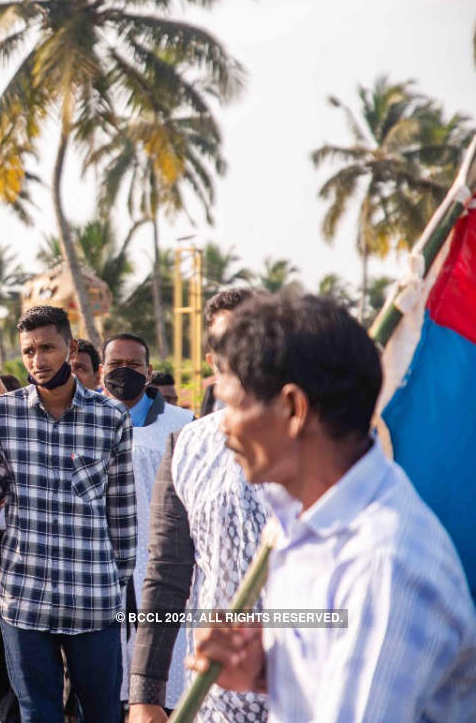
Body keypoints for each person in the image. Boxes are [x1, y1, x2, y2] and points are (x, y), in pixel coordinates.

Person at [190, 292, 476, 721]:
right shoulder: (300, 524)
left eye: (231, 404)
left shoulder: (383, 564)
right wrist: (266, 672)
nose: (223, 426)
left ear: (293, 408)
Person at [0, 305, 136, 723]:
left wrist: (116, 584)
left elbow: (121, 516)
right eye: (29, 350)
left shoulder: (111, 418)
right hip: (24, 603)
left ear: (70, 349)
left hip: (93, 603)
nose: (38, 359)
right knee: (37, 716)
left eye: (48, 347)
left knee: (104, 714)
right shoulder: (3, 414)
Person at [128, 287, 269, 723]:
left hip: (304, 691)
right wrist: (144, 694)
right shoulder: (188, 444)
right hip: (215, 695)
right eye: (228, 342)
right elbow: (167, 573)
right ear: (212, 361)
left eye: (254, 337)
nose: (242, 352)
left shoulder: (317, 438)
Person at [100, 334, 194, 711]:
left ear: (149, 372)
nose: (124, 371)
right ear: (102, 370)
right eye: (115, 364)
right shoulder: (80, 419)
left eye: (134, 365)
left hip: (161, 566)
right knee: (103, 687)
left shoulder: (182, 423)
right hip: (100, 568)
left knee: (160, 685)